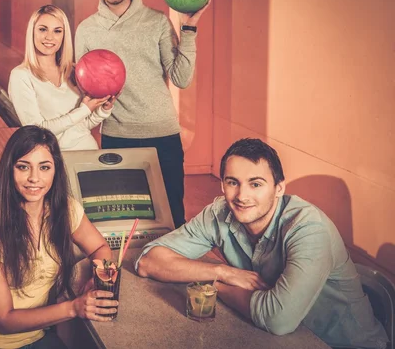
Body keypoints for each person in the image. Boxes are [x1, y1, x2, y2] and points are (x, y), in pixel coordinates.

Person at [135, 138, 388, 349]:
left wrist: (217, 285)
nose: (242, 196)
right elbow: (148, 261)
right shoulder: (219, 212)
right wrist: (223, 271)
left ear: (279, 188)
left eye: (256, 184)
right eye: (232, 182)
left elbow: (278, 319)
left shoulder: (309, 229)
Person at [74, 0, 209, 228]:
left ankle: (172, 269)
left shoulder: (157, 21)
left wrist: (189, 30)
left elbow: (181, 78)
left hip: (163, 134)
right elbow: (84, 87)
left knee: (172, 217)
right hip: (117, 135)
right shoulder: (87, 30)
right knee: (124, 221)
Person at [0, 125, 119, 349]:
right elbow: (3, 321)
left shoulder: (67, 211)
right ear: (10, 170)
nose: (34, 178)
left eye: (44, 167)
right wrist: (74, 308)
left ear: (55, 171)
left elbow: (100, 247)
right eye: (23, 167)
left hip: (38, 335)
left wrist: (99, 274)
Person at [9, 5, 114, 151]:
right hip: (55, 159)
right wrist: (84, 109)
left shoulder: (73, 70)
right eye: (42, 29)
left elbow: (81, 126)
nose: (49, 37)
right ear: (32, 32)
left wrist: (102, 110)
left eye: (57, 31)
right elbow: (38, 132)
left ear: (64, 36)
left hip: (89, 151)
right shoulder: (21, 76)